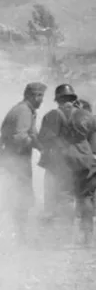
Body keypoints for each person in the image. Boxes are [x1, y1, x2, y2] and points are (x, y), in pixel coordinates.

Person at [38, 84, 96, 245]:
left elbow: (43, 138)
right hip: (86, 160)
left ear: (58, 100)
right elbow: (95, 131)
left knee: (66, 197)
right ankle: (88, 237)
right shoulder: (85, 114)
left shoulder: (51, 116)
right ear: (73, 99)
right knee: (86, 198)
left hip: (64, 162)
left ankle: (69, 238)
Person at [0, 82, 46, 244]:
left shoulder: (25, 110)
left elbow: (32, 134)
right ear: (34, 96)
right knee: (20, 197)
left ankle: (19, 234)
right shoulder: (24, 111)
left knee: (18, 196)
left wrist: (42, 147)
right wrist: (33, 142)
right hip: (16, 162)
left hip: (14, 160)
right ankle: (20, 236)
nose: (42, 101)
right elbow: (20, 137)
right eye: (40, 96)